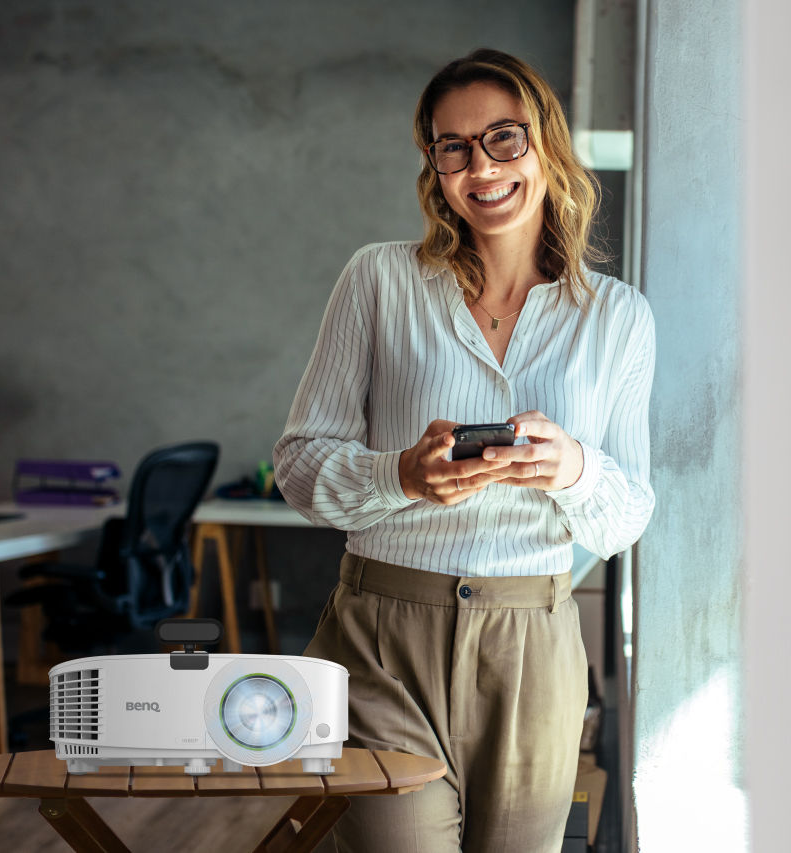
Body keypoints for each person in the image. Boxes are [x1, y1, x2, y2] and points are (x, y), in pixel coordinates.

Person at [275, 48, 656, 853]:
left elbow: (627, 517)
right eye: (453, 147)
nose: (479, 166)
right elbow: (300, 463)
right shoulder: (377, 281)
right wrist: (400, 475)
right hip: (382, 642)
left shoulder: (619, 317)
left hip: (534, 648)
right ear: (435, 166)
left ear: (546, 145)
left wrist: (575, 469)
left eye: (503, 138)